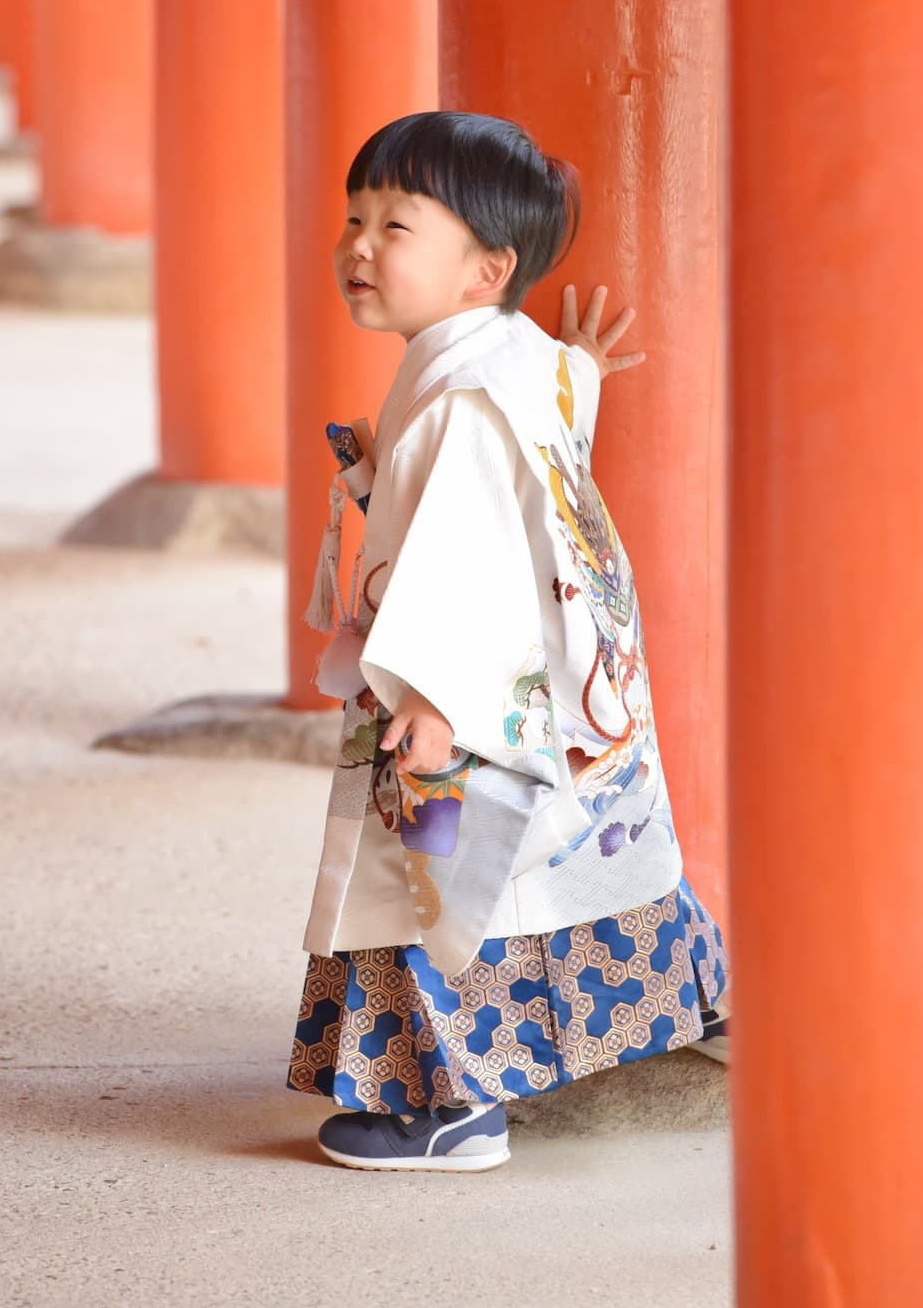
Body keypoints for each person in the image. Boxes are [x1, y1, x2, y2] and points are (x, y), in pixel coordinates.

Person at [288, 110, 729, 1173]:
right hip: (567, 689)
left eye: (396, 223)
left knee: (442, 883)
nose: (358, 243)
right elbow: (543, 437)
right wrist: (577, 371)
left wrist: (435, 699)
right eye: (356, 216)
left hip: (471, 695)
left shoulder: (462, 399)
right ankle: (695, 998)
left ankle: (450, 1109)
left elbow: (472, 552)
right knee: (581, 856)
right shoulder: (510, 360)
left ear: (486, 269)